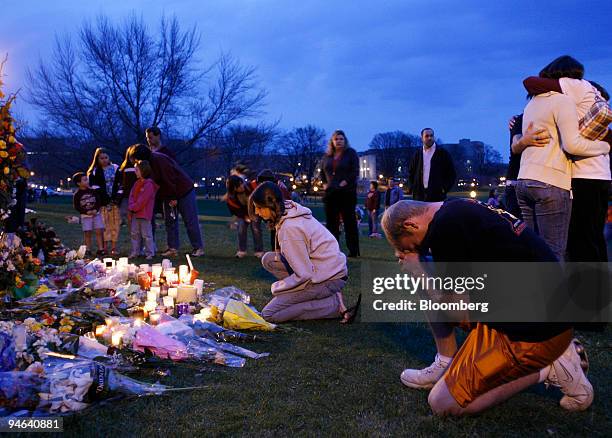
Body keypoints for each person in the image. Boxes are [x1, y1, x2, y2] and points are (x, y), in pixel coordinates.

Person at [381, 199, 592, 415]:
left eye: (413, 246)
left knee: (442, 403)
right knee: (430, 286)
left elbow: (458, 313)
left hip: (538, 334)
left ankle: (550, 367)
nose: (419, 250)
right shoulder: (456, 209)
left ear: (410, 225)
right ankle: (445, 362)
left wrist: (418, 270)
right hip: (540, 314)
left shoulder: (446, 226)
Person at [515, 56, 611, 261]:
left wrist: (605, 146)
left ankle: (582, 291)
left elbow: (530, 82)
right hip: (597, 175)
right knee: (591, 240)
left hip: (581, 176)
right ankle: (596, 291)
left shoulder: (569, 88)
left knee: (572, 245)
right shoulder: (586, 93)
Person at [250, 182, 359, 323]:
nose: (257, 212)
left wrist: (278, 288)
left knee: (269, 315)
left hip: (328, 278)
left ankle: (331, 306)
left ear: (271, 205)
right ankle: (310, 296)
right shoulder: (289, 210)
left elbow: (304, 274)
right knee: (269, 260)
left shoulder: (290, 228)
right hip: (323, 269)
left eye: (259, 207)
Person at [129, 144, 204, 257]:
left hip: (183, 191)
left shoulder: (159, 160)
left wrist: (173, 197)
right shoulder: (150, 163)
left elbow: (169, 178)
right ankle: (172, 247)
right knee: (170, 221)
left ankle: (198, 248)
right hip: (168, 194)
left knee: (190, 220)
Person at [320, 129, 360, 257]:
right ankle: (333, 250)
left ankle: (353, 251)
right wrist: (324, 184)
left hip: (346, 193)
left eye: (341, 139)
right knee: (332, 223)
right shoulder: (327, 156)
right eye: (336, 139)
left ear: (345, 140)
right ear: (332, 141)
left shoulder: (351, 153)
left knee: (349, 222)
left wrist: (345, 181)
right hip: (331, 194)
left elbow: (355, 171)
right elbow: (322, 171)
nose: (339, 141)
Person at [87, 147, 122, 256]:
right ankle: (104, 247)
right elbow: (95, 187)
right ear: (97, 159)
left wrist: (117, 198)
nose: (104, 160)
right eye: (101, 158)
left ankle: (114, 247)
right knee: (104, 225)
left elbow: (120, 184)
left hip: (114, 202)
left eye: (106, 157)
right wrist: (105, 198)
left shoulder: (116, 168)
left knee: (115, 224)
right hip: (102, 203)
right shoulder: (95, 171)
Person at [407, 128, 456, 202]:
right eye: (426, 136)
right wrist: (413, 188)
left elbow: (452, 173)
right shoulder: (417, 154)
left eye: (431, 135)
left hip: (437, 196)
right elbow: (411, 172)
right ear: (422, 138)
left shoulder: (442, 153)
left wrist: (444, 189)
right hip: (419, 196)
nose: (429, 138)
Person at [225, 175, 263, 258]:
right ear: (233, 188)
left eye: (242, 183)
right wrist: (244, 216)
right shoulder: (231, 198)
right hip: (243, 214)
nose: (242, 186)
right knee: (241, 228)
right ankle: (242, 250)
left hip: (256, 211)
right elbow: (235, 210)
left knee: (255, 228)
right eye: (239, 185)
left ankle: (259, 251)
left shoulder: (251, 187)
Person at [128, 160, 158, 260]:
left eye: (137, 170)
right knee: (134, 233)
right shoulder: (136, 183)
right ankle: (135, 251)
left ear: (143, 170)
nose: (135, 172)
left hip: (144, 214)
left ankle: (150, 252)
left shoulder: (149, 184)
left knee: (146, 235)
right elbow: (131, 196)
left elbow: (143, 200)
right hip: (135, 214)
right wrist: (132, 206)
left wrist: (134, 207)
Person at [72, 172, 105, 256]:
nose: (87, 181)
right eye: (85, 180)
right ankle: (88, 249)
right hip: (86, 216)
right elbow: (77, 206)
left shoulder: (92, 191)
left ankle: (101, 249)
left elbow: (98, 201)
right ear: (79, 183)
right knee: (87, 232)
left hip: (96, 215)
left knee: (99, 231)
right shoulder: (77, 194)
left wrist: (96, 210)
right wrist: (85, 212)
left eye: (87, 179)